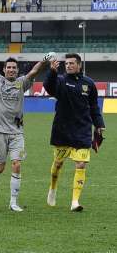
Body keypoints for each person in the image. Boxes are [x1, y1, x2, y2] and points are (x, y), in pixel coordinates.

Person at [0, 35, 51, 212]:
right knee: (0, 167)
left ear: (17, 70)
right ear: (4, 70)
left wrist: (44, 60)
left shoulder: (22, 83)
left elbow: (34, 72)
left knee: (17, 164)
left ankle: (13, 202)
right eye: (9, 67)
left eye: (14, 68)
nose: (11, 70)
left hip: (17, 133)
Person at [44, 53, 105, 212]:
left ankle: (75, 201)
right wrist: (52, 72)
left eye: (71, 63)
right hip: (62, 130)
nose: (68, 66)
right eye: (66, 63)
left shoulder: (89, 84)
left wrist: (99, 124)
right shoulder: (60, 80)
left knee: (81, 164)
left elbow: (94, 107)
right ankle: (53, 188)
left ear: (79, 65)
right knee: (58, 163)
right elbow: (48, 88)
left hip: (82, 130)